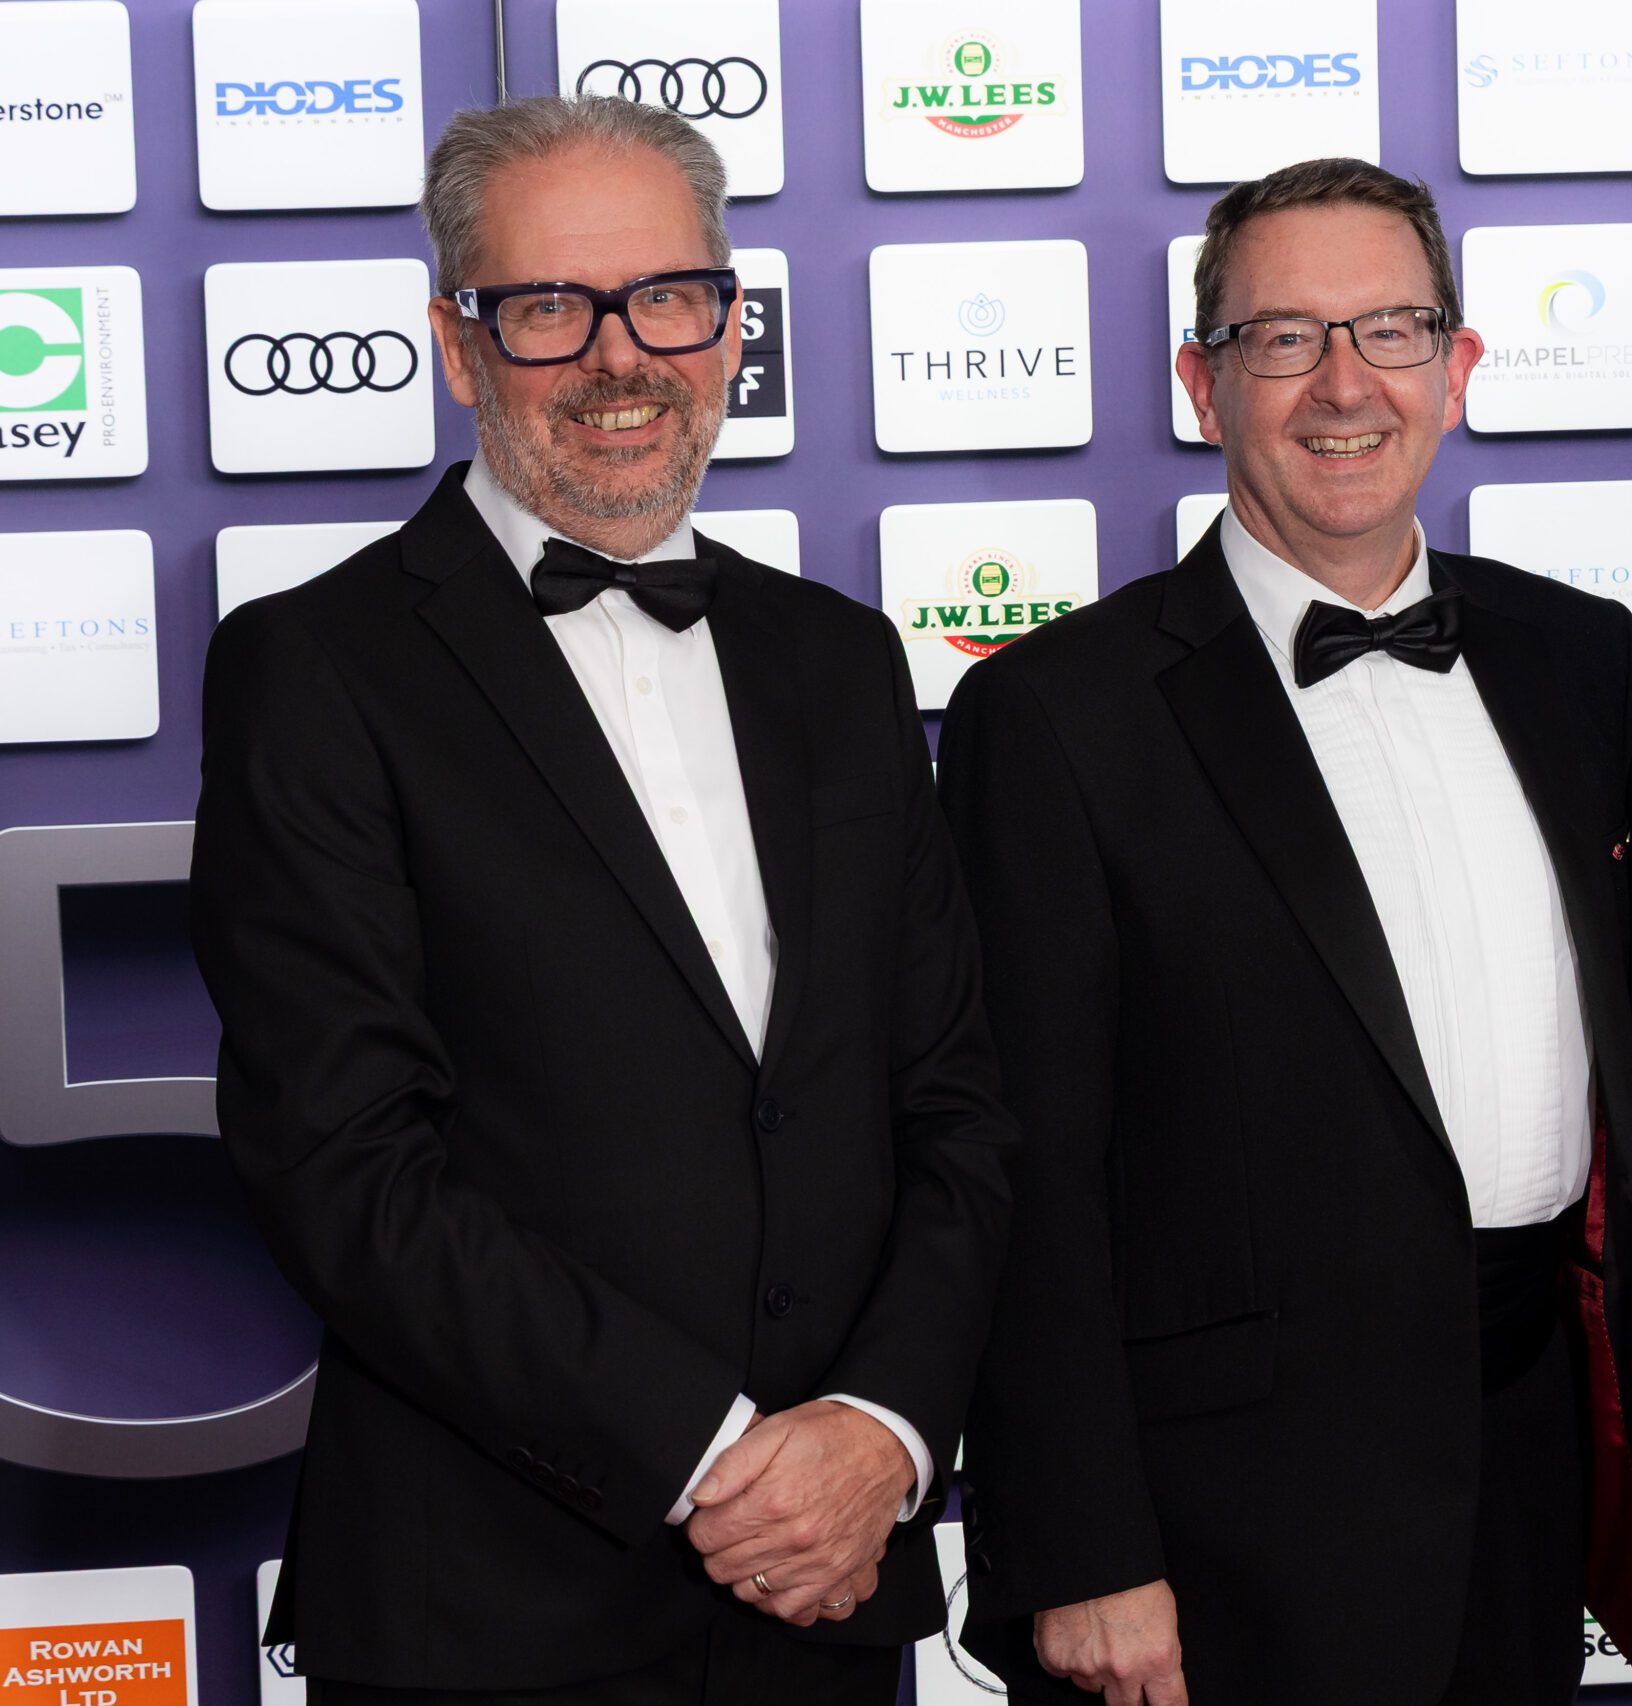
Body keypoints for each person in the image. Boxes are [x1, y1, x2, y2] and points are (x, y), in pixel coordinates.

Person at [190, 95, 1014, 1706]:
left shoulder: (841, 661)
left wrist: (879, 1433)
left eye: (668, 298)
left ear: (730, 324)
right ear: (459, 343)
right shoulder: (316, 668)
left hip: (828, 1595)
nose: (623, 357)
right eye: (551, 308)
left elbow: (957, 1108)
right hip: (490, 1616)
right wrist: (718, 1460)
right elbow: (344, 1166)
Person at [938, 157, 1632, 1706]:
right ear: (1203, 383)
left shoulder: (1576, 656)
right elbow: (1025, 1172)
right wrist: (1079, 1544)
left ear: (1458, 369)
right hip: (1223, 1521)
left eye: (1392, 330)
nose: (1346, 385)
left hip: (1533, 1454)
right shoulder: (1055, 715)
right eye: (1284, 339)